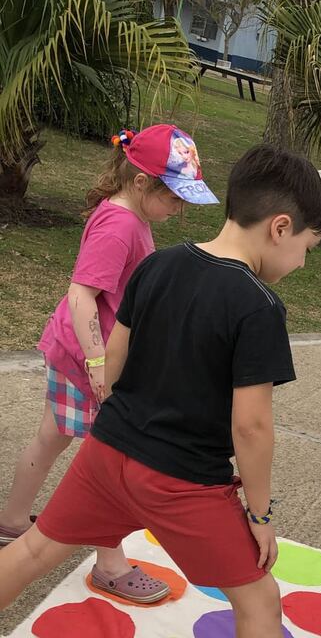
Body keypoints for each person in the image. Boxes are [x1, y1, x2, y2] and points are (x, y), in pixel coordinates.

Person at [0, 145, 321, 638]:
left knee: (31, 552)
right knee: (260, 600)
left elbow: (114, 362)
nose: (302, 264)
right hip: (185, 481)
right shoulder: (259, 307)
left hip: (107, 453)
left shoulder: (157, 265)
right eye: (307, 248)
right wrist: (260, 515)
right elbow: (252, 426)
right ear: (280, 227)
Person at [0, 124, 218, 603]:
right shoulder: (121, 224)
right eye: (174, 198)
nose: (179, 209)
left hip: (75, 354)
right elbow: (82, 294)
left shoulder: (129, 216)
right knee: (106, 464)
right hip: (86, 362)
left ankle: (12, 524)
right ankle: (109, 564)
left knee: (51, 438)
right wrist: (100, 364)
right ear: (142, 183)